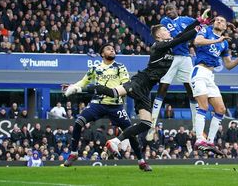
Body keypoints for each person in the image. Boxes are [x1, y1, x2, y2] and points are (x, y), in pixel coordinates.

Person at [81, 10, 211, 157]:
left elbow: (182, 35)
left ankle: (115, 141)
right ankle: (80, 88)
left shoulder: (168, 44)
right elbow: (181, 39)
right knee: (114, 92)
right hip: (139, 81)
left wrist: (198, 21)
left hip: (146, 89)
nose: (167, 30)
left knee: (146, 124)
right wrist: (198, 27)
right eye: (164, 29)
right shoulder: (158, 46)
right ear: (159, 35)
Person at [62, 43, 151, 171]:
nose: (112, 50)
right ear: (102, 54)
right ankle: (74, 153)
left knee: (130, 132)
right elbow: (83, 82)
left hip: (116, 105)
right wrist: (72, 87)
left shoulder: (120, 67)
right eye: (109, 49)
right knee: (78, 122)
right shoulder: (95, 68)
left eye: (113, 48)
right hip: (97, 104)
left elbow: (126, 84)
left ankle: (141, 161)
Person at [191, 15, 238, 153]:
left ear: (225, 26)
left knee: (221, 109)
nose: (219, 21)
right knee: (203, 106)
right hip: (199, 72)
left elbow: (228, 65)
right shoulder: (206, 31)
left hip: (210, 76)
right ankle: (199, 139)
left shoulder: (224, 43)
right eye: (217, 20)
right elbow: (197, 41)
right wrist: (216, 40)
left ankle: (209, 141)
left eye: (222, 20)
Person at [147, 3, 200, 140]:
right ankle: (152, 124)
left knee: (191, 90)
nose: (169, 12)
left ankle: (196, 126)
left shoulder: (186, 20)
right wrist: (193, 29)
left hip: (185, 58)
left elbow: (194, 27)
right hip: (171, 57)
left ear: (177, 10)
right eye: (166, 10)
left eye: (171, 9)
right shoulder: (165, 21)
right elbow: (179, 36)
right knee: (163, 88)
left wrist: (201, 22)